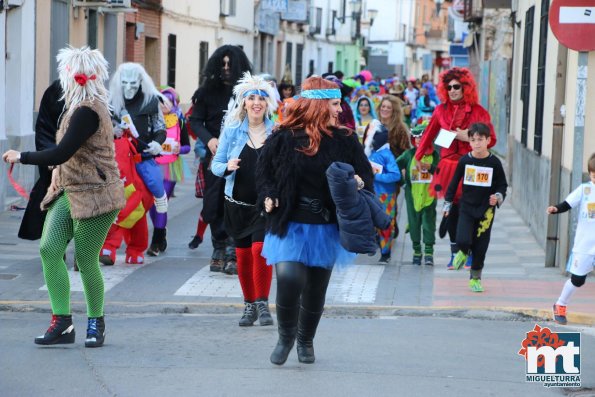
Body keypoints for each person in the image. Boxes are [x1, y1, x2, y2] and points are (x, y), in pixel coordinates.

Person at [2, 46, 125, 347]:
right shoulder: (75, 105)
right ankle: (63, 323)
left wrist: (22, 156)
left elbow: (61, 152)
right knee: (49, 249)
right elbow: (64, 156)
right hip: (68, 190)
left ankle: (96, 321)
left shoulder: (88, 110)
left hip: (97, 195)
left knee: (84, 259)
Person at [256, 76, 374, 365]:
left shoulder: (345, 139)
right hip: (289, 222)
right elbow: (264, 173)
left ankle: (305, 340)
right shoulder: (284, 136)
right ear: (318, 105)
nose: (339, 109)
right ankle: (285, 337)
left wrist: (357, 182)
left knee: (316, 288)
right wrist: (268, 195)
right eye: (334, 104)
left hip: (325, 226)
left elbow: (365, 176)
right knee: (289, 277)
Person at [414, 67, 497, 269]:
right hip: (449, 167)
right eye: (448, 86)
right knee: (451, 211)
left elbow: (492, 139)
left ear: (465, 87)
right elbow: (429, 134)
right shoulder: (440, 110)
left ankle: (468, 252)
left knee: (470, 211)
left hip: (472, 166)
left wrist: (467, 137)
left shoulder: (478, 112)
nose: (452, 90)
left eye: (456, 86)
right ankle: (455, 253)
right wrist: (418, 155)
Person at [211, 72, 277, 327]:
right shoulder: (232, 130)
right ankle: (249, 305)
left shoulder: (276, 132)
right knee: (243, 256)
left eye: (261, 98)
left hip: (265, 205)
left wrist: (276, 195)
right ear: (244, 103)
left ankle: (263, 304)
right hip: (236, 205)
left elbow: (282, 169)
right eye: (252, 98)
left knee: (260, 250)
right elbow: (215, 166)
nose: (256, 102)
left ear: (268, 103)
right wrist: (227, 166)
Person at [189, 45, 252, 274]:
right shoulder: (207, 92)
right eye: (222, 64)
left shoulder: (249, 91)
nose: (226, 69)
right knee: (213, 203)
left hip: (243, 157)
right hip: (215, 157)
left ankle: (235, 249)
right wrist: (209, 140)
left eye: (230, 64)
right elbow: (195, 121)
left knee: (238, 202)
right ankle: (219, 246)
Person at [110, 63, 169, 256]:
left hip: (142, 157)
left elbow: (160, 128)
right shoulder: (111, 101)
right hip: (117, 161)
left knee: (154, 186)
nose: (128, 88)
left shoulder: (151, 101)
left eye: (133, 84)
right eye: (125, 83)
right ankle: (108, 246)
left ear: (140, 83)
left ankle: (142, 242)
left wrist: (158, 144)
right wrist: (112, 131)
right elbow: (100, 127)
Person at [442, 123, 507, 292]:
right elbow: (454, 183)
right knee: (462, 238)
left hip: (486, 211)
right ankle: (462, 252)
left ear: (488, 140)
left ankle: (475, 278)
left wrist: (497, 197)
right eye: (473, 140)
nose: (477, 143)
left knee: (481, 245)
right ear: (469, 142)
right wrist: (447, 204)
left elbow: (502, 185)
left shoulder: (494, 163)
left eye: (480, 140)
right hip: (466, 207)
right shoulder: (465, 160)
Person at [548, 153, 595, 325]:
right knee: (578, 280)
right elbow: (567, 204)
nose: (594, 176)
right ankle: (560, 305)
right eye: (592, 174)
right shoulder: (585, 189)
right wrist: (555, 208)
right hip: (584, 245)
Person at [18, 80, 65, 241]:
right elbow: (44, 128)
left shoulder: (93, 98)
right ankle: (57, 244)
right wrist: (52, 160)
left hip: (82, 168)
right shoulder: (55, 91)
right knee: (54, 203)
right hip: (54, 160)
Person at [146, 86, 191, 255]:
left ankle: (156, 242)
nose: (164, 104)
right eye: (161, 101)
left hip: (170, 167)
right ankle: (161, 232)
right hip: (151, 166)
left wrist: (179, 149)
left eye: (167, 101)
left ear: (174, 104)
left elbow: (187, 146)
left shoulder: (179, 121)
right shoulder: (151, 120)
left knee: (161, 201)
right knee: (151, 204)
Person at [397, 121, 439, 266]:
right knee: (414, 224)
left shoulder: (435, 155)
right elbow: (395, 166)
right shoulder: (409, 155)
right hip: (412, 195)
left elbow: (443, 172)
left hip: (429, 195)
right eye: (416, 137)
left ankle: (428, 252)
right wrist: (403, 182)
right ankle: (416, 251)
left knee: (429, 224)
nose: (419, 140)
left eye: (423, 136)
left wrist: (431, 167)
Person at [363, 122, 401, 263]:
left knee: (385, 223)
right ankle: (375, 244)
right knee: (370, 222)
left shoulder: (386, 154)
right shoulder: (370, 153)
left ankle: (386, 253)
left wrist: (376, 176)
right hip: (371, 194)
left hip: (386, 195)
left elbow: (396, 175)